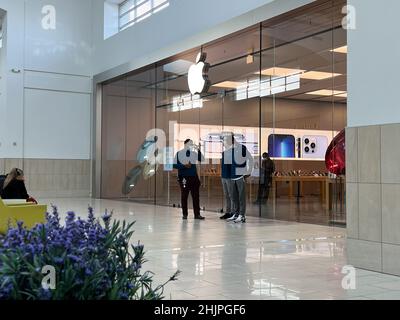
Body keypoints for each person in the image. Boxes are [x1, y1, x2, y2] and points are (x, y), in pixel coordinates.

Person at [173, 139, 205, 220]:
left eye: (191, 144)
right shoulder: (179, 153)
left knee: (196, 197)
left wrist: (198, 149)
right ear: (185, 144)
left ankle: (197, 214)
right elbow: (174, 165)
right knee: (184, 196)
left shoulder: (194, 153)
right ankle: (185, 214)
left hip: (194, 178)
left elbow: (202, 159)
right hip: (184, 178)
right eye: (189, 144)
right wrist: (184, 165)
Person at [226, 135, 254, 223]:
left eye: (228, 142)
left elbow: (250, 159)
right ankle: (236, 213)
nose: (227, 144)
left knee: (241, 197)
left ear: (232, 140)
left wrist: (249, 171)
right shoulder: (231, 150)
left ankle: (242, 215)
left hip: (240, 175)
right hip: (232, 176)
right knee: (234, 196)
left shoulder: (242, 148)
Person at [219, 134, 235, 220]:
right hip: (224, 176)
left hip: (230, 176)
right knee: (226, 195)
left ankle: (233, 212)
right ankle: (228, 212)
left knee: (231, 195)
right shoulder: (224, 152)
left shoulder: (234, 151)